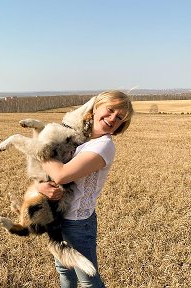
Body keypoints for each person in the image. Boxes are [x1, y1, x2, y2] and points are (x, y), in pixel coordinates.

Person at [37, 90, 134, 288]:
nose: (112, 118)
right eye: (110, 110)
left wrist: (38, 148)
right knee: (64, 270)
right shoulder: (79, 136)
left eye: (119, 117)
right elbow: (49, 173)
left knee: (89, 281)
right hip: (56, 215)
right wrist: (40, 186)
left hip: (78, 223)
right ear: (95, 107)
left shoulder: (104, 145)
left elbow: (61, 174)